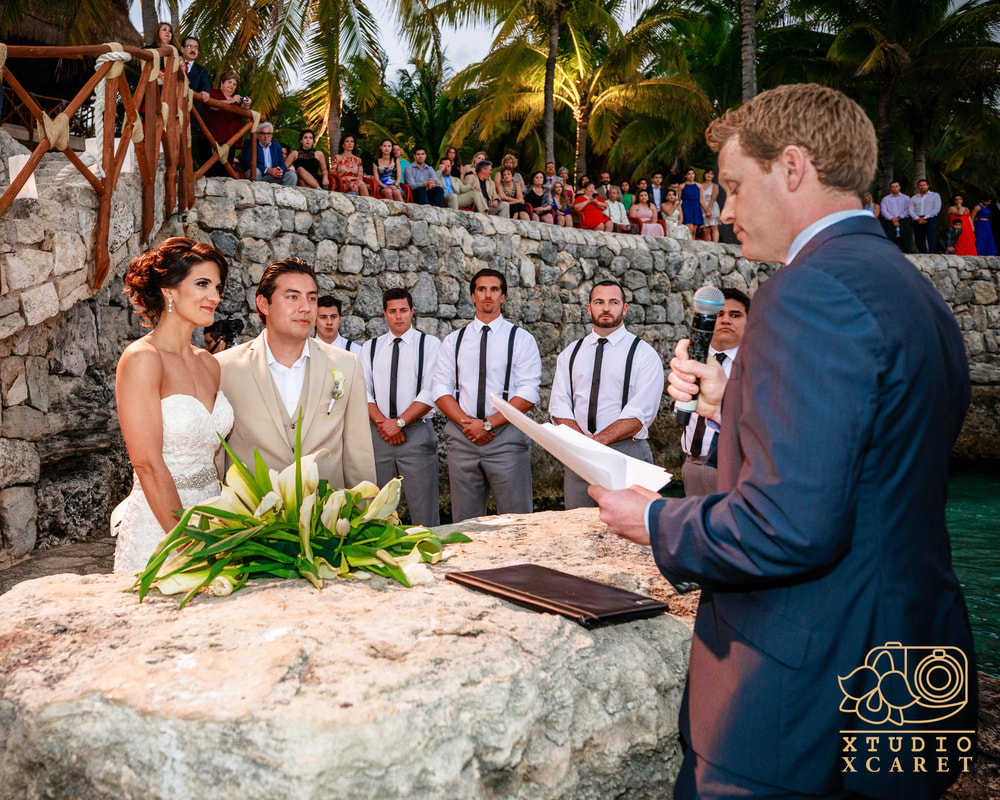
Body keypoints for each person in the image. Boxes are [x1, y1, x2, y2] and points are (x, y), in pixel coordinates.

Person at [590, 83, 976, 800]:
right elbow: (873, 453)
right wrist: (736, 400)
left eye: (735, 186)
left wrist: (650, 519)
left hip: (806, 693)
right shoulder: (915, 294)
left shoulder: (807, 293)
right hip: (912, 669)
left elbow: (790, 525)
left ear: (792, 168)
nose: (726, 210)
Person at [112, 238, 234, 574]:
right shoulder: (142, 359)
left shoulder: (209, 364)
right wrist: (186, 545)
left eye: (218, 287)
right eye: (202, 284)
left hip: (214, 517)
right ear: (169, 290)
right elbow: (147, 463)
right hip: (163, 525)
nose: (215, 296)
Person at [216, 258, 376, 490]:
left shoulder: (346, 364)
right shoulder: (224, 368)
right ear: (263, 304)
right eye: (292, 297)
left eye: (311, 298)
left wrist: (366, 513)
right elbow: (217, 458)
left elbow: (359, 453)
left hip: (327, 517)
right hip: (252, 519)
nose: (306, 307)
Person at [431, 268, 541, 522]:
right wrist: (466, 424)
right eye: (482, 289)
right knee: (465, 522)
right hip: (463, 437)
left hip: (506, 438)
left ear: (503, 296)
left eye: (494, 289)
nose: (487, 295)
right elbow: (440, 388)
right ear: (473, 296)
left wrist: (489, 424)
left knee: (518, 520)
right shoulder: (454, 341)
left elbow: (528, 391)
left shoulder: (521, 339)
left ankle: (520, 563)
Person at [549, 281, 663, 509]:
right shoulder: (570, 354)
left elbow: (640, 414)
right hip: (579, 456)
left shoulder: (644, 355)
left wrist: (597, 442)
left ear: (625, 308)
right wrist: (584, 445)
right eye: (599, 302)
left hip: (626, 453)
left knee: (629, 535)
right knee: (578, 530)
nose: (606, 308)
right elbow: (559, 407)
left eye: (613, 302)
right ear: (589, 308)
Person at [362, 288, 442, 527]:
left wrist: (399, 423)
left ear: (412, 312)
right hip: (379, 435)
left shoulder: (429, 345)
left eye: (403, 311)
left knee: (424, 510)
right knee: (376, 509)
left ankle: (430, 556)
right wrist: (384, 424)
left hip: (416, 434)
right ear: (385, 314)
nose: (399, 316)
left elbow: (431, 391)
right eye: (393, 311)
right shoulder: (371, 347)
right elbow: (361, 390)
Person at [679, 288, 748, 496]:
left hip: (732, 467)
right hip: (690, 464)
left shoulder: (755, 366)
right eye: (719, 315)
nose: (726, 320)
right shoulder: (692, 360)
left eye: (735, 315)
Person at [202, 71, 250, 176]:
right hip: (211, 139)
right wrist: (230, 101)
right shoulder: (213, 92)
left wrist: (247, 104)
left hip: (229, 142)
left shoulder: (238, 100)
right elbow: (212, 106)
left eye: (234, 84)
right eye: (229, 82)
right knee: (210, 172)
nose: (232, 86)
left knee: (225, 173)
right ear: (222, 83)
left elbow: (245, 113)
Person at [909, 178, 941, 254]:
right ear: (918, 187)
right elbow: (910, 210)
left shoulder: (935, 195)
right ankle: (923, 254)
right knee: (919, 238)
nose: (922, 187)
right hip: (917, 220)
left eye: (924, 185)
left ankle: (933, 254)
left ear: (928, 186)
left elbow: (936, 208)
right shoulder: (914, 198)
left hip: (930, 219)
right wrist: (917, 218)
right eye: (920, 185)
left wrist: (925, 217)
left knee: (931, 237)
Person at [880, 180, 911, 252]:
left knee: (906, 240)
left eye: (896, 186)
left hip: (903, 221)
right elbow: (883, 210)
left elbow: (908, 209)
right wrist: (892, 218)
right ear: (890, 188)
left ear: (899, 187)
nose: (895, 188)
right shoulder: (885, 199)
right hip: (890, 222)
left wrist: (899, 218)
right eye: (893, 187)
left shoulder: (906, 198)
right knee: (890, 241)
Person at [679, 168, 703, 237]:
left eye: (692, 174)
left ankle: (693, 246)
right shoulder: (682, 186)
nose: (691, 175)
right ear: (685, 176)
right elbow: (679, 199)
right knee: (690, 229)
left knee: (694, 231)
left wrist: (707, 210)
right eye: (689, 174)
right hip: (686, 206)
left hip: (696, 206)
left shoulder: (699, 185)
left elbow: (701, 200)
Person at [699, 168, 721, 242]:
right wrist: (705, 210)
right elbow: (700, 199)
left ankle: (716, 245)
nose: (709, 175)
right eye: (708, 173)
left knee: (714, 227)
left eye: (711, 174)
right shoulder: (700, 185)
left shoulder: (715, 186)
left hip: (712, 207)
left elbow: (713, 198)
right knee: (705, 229)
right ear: (704, 174)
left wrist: (709, 210)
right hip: (702, 206)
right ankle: (709, 246)